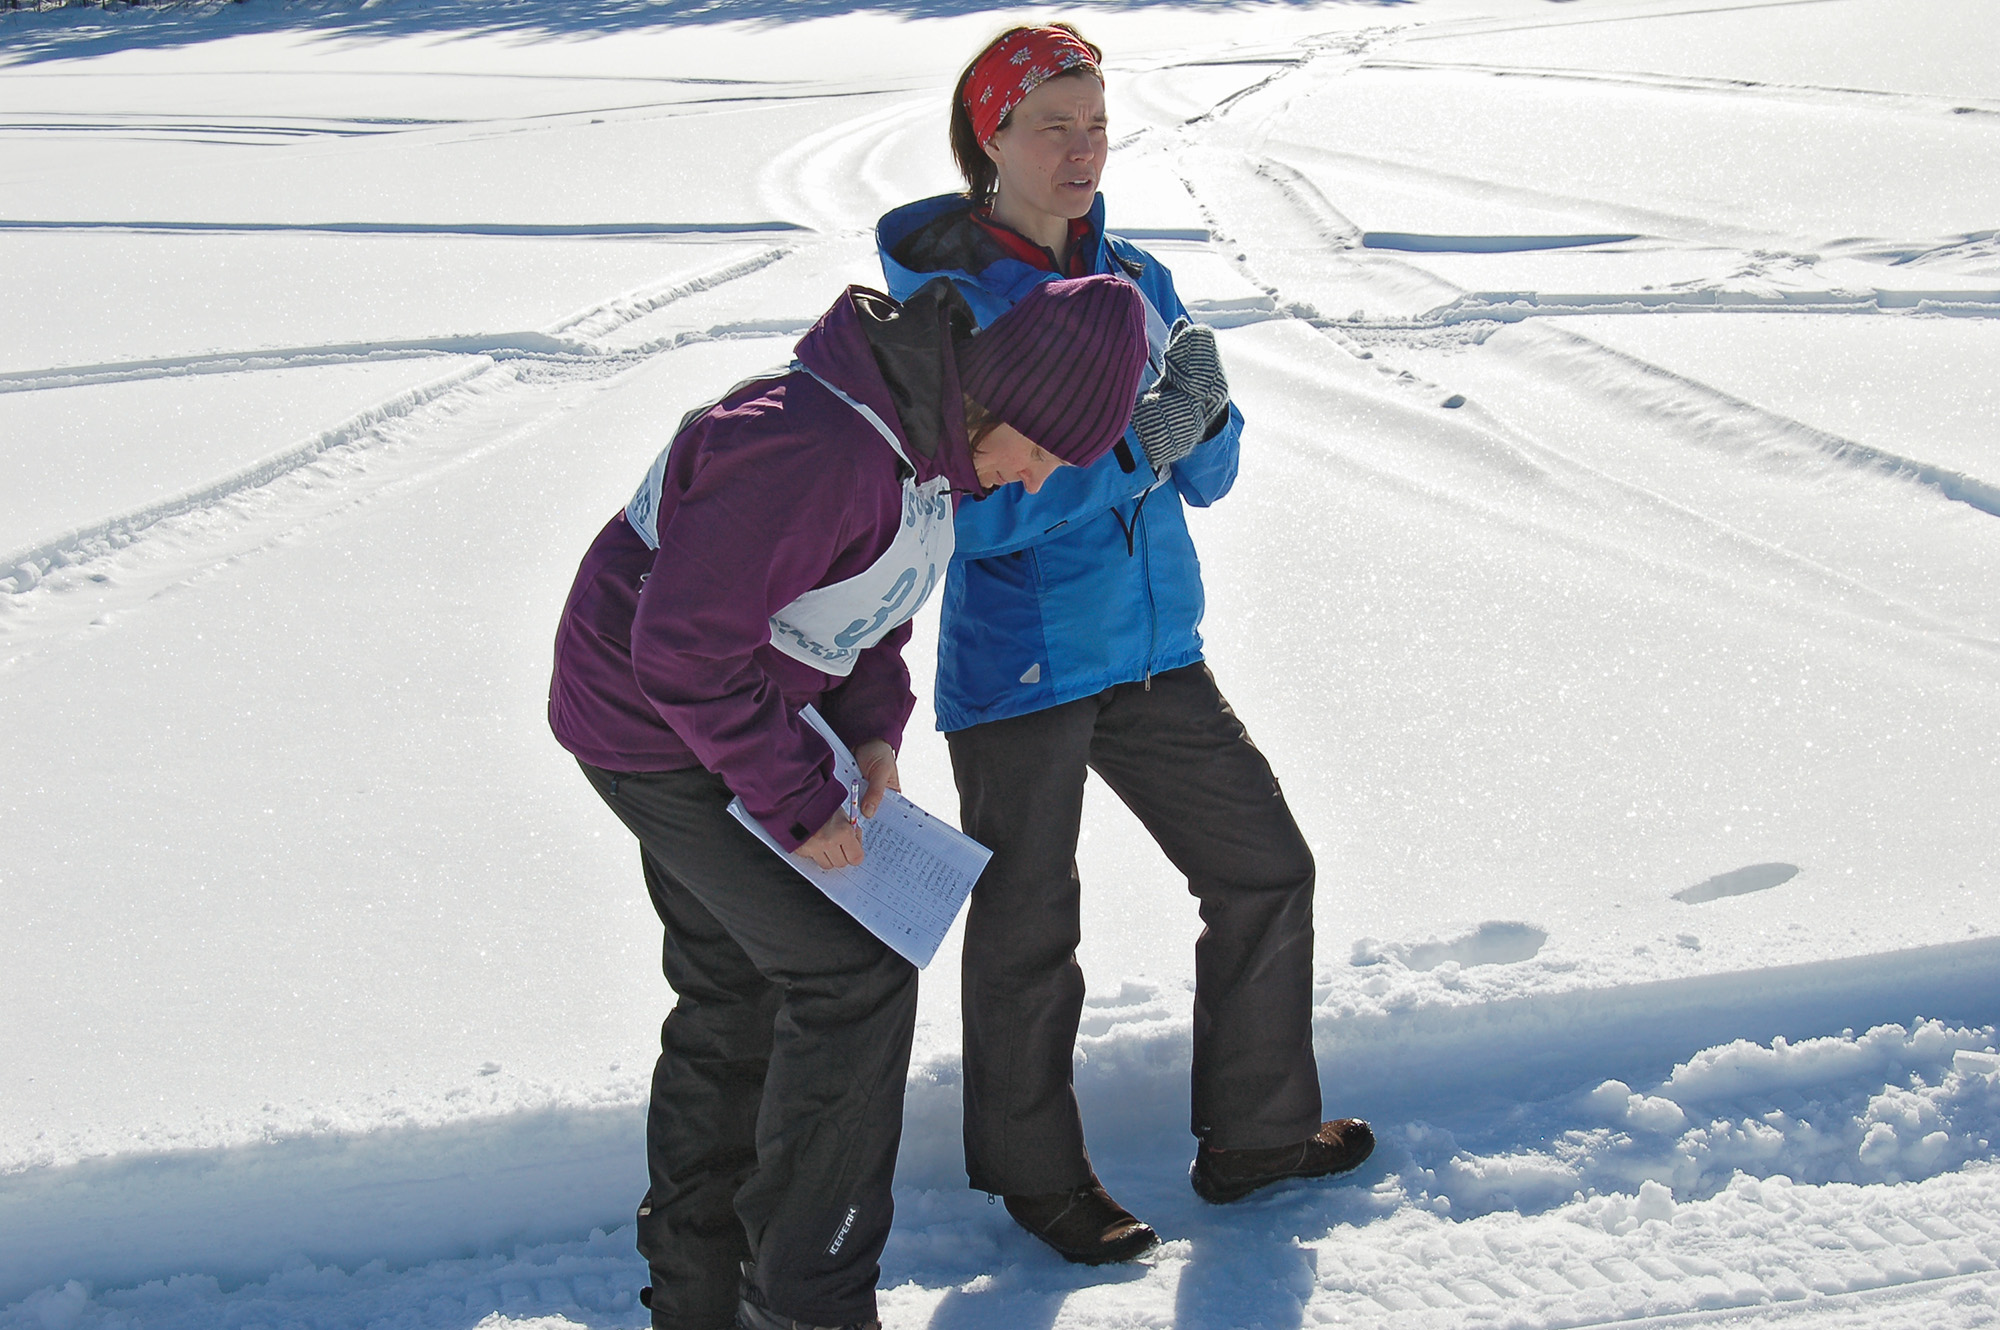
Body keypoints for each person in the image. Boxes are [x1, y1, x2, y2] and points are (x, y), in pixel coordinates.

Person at [548, 272, 1148, 1330]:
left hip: (730, 715)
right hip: (654, 727)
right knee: (850, 980)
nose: (1033, 480)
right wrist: (795, 797)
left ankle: (698, 1299)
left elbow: (872, 607)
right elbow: (679, 649)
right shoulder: (817, 448)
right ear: (998, 399)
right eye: (1042, 451)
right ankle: (808, 1301)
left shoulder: (926, 449)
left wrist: (869, 729)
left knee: (736, 993)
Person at [874, 24, 1375, 1266]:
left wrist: (1200, 416)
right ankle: (1036, 1178)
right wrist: (1135, 445)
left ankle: (1256, 1136)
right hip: (1022, 659)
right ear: (989, 138)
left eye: (1096, 124)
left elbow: (1208, 472)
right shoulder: (943, 310)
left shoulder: (1139, 278)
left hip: (1152, 643)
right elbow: (969, 516)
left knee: (1264, 867)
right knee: (1028, 929)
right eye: (1052, 125)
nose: (1081, 150)